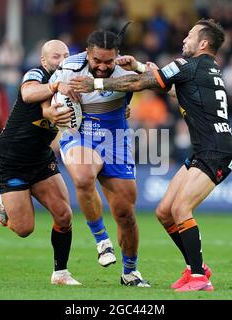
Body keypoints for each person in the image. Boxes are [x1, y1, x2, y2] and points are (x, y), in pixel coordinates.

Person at [69, 19, 232, 292]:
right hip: (206, 149)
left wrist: (96, 85)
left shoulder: (189, 65)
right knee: (164, 212)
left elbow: (141, 83)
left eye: (190, 35)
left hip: (217, 150)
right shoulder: (207, 69)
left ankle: (199, 276)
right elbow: (168, 87)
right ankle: (194, 267)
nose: (185, 39)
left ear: (203, 43)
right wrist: (137, 66)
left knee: (181, 209)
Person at [49, 29, 150, 287]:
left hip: (116, 140)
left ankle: (130, 272)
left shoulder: (126, 69)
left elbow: (159, 82)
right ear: (87, 53)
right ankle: (102, 241)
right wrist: (52, 112)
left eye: (109, 61)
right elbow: (46, 95)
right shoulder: (70, 67)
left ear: (117, 55)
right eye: (97, 61)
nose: (103, 66)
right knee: (83, 177)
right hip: (80, 133)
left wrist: (136, 66)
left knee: (125, 214)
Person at [0, 40, 81, 286]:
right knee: (24, 229)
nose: (62, 61)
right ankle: (6, 203)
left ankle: (60, 273)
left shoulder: (72, 82)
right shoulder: (36, 74)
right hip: (11, 160)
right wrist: (55, 86)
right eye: (55, 56)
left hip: (41, 159)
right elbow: (28, 93)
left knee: (64, 215)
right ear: (44, 61)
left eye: (66, 55)